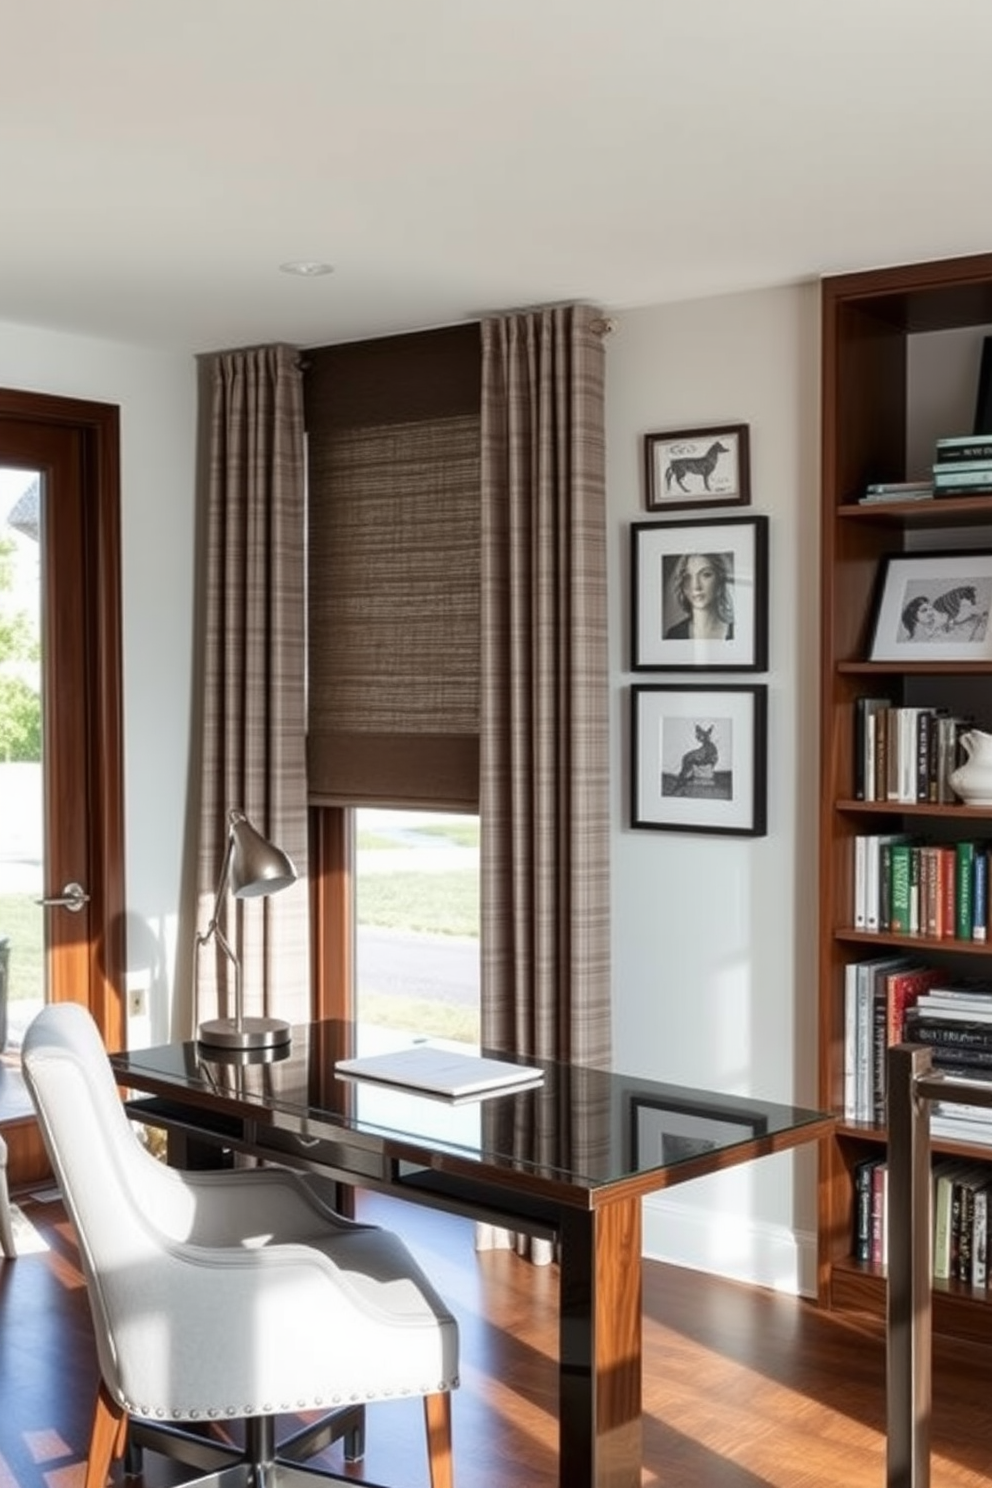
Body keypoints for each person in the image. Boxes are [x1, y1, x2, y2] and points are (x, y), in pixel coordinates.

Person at [665, 552, 734, 640]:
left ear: (720, 580)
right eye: (688, 577)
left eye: (706, 575)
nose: (696, 586)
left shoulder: (738, 632)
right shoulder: (674, 634)